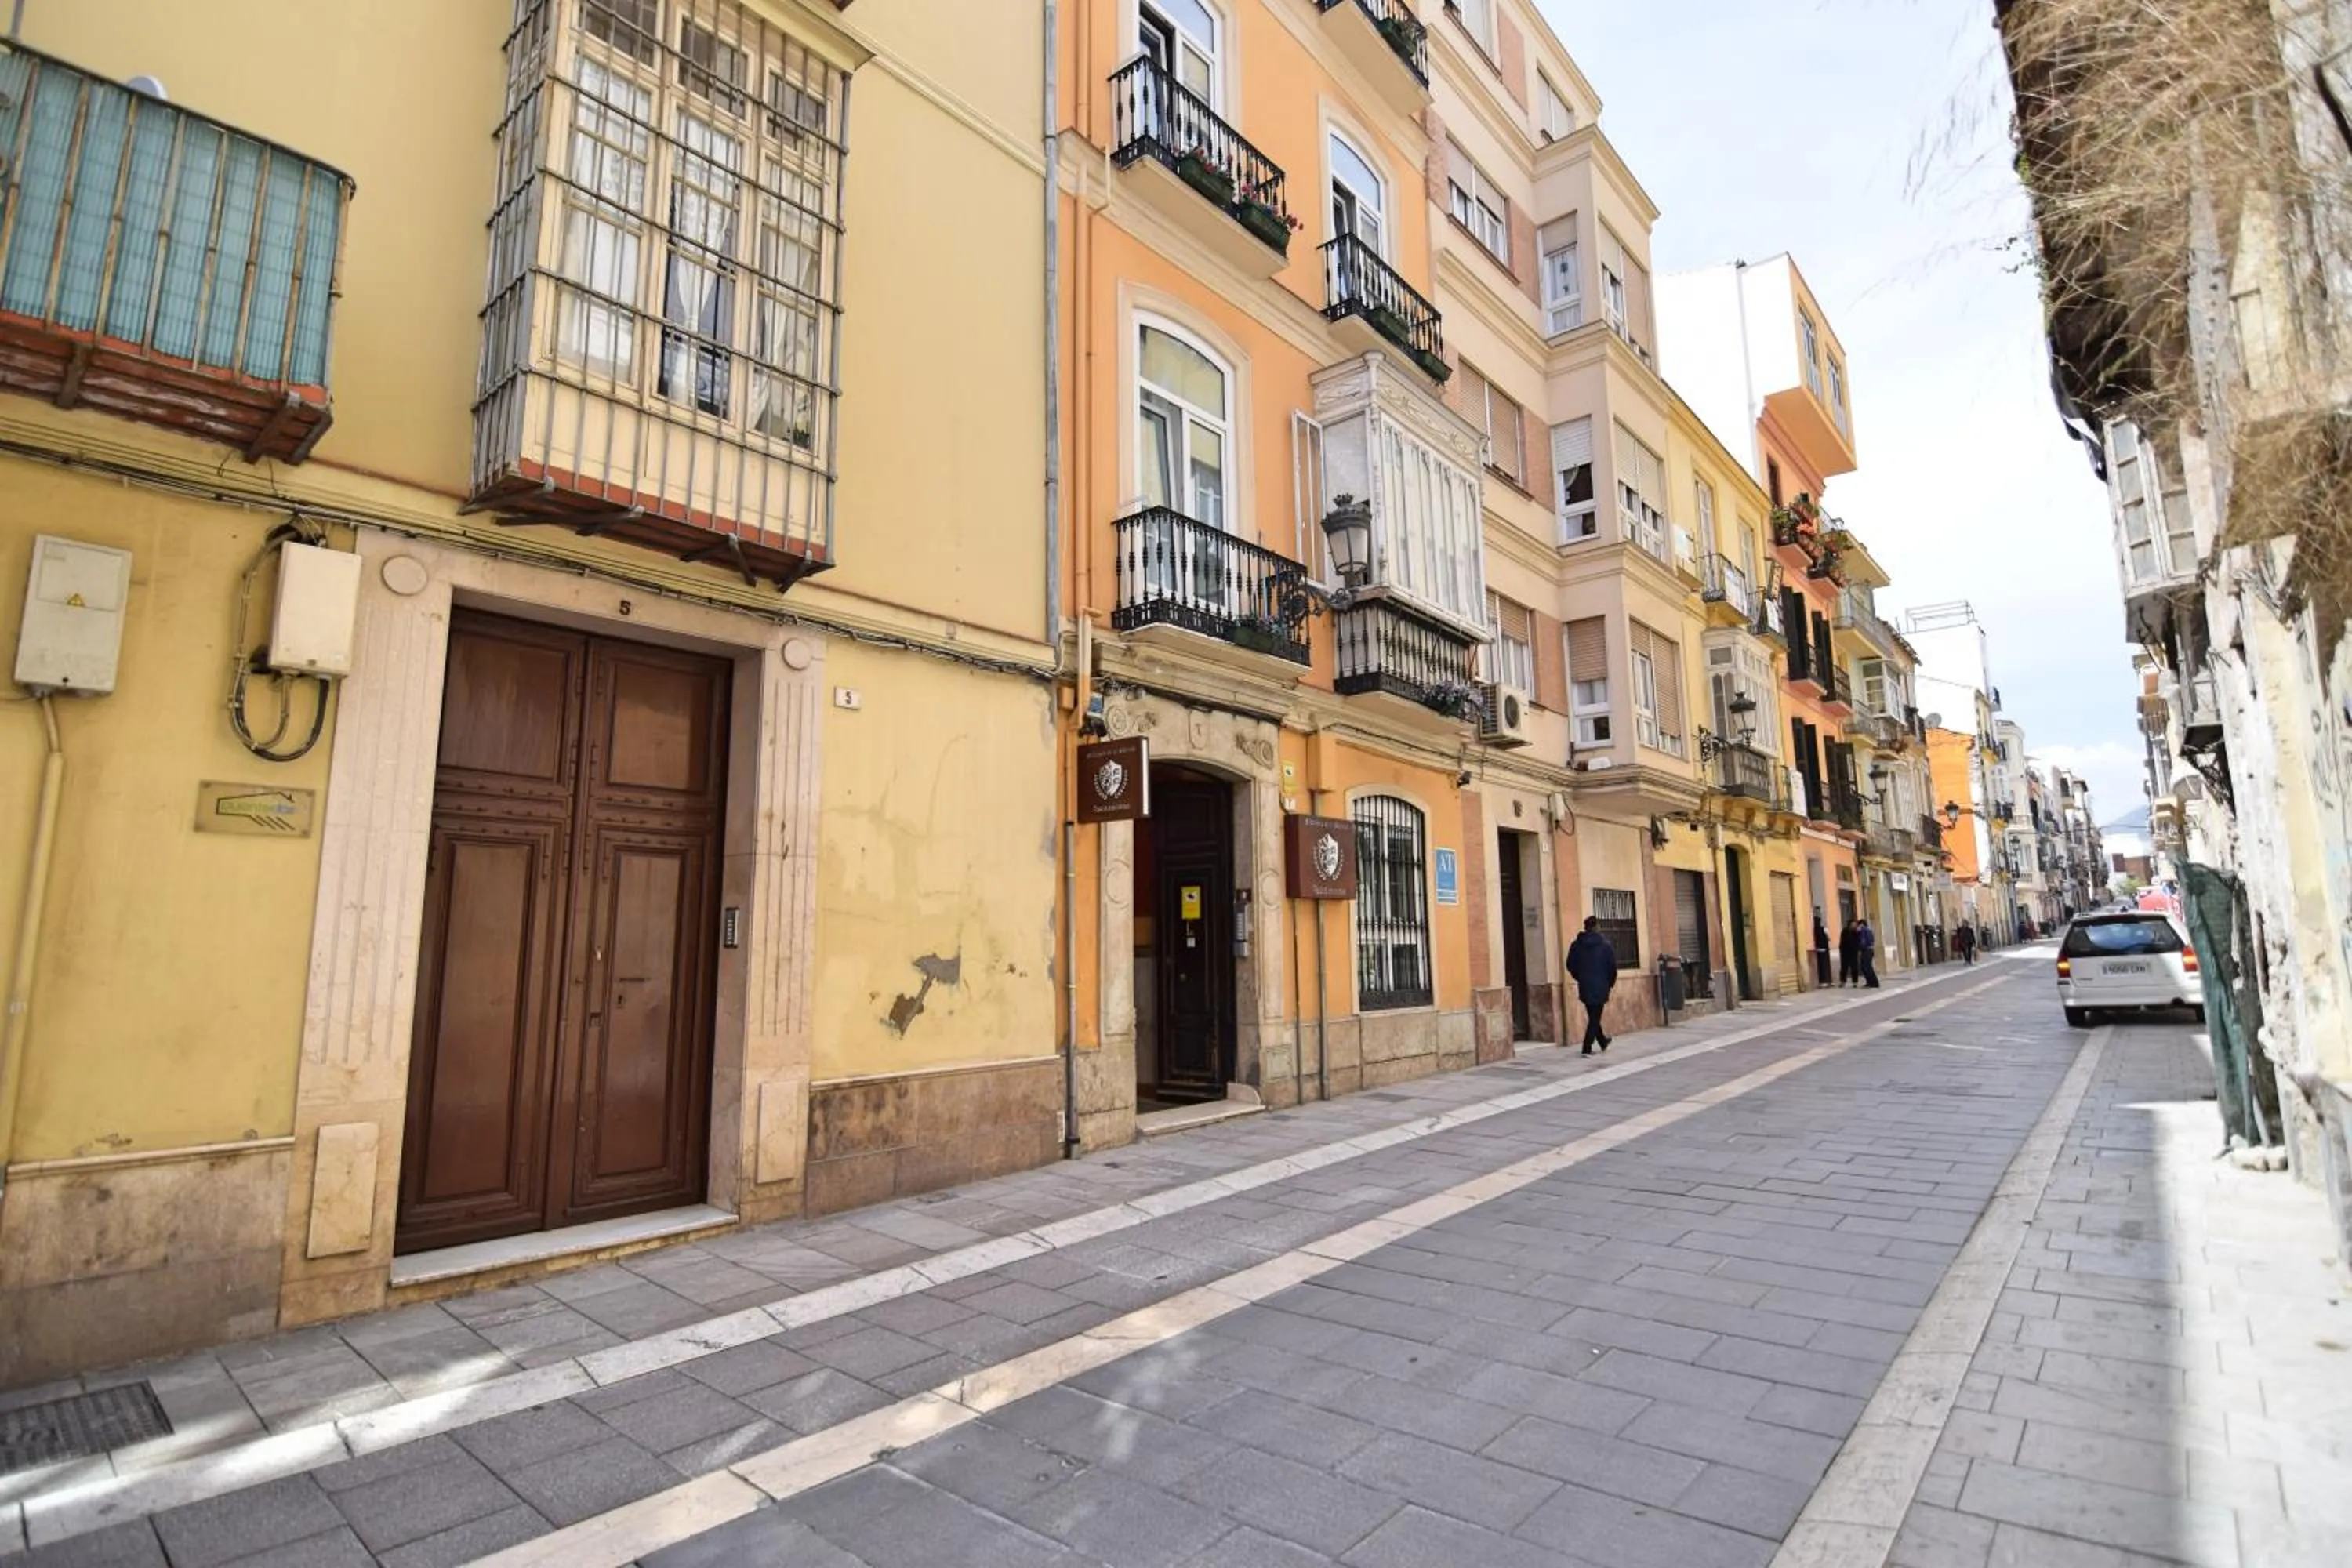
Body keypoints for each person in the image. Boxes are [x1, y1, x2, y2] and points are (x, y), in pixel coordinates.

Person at [1565, 915, 1617, 1056]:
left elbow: (1570, 965)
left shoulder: (1576, 945)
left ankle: (1603, 1041)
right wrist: (1610, 983)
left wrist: (1579, 977)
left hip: (1585, 985)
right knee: (1595, 1017)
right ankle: (1586, 1047)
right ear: (1597, 927)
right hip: (1601, 985)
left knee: (1593, 1015)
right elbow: (1612, 967)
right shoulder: (1606, 945)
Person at [1857, 916, 1881, 989]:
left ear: (1862, 925)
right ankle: (1872, 982)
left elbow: (1863, 942)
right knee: (1867, 967)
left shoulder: (1864, 930)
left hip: (1866, 951)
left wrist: (1860, 948)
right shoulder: (1869, 930)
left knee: (1866, 967)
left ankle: (1872, 983)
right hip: (1870, 950)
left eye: (1859, 925)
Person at [1838, 918, 1861, 987]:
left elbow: (1858, 941)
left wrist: (1858, 950)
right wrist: (1841, 950)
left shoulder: (1857, 932)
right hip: (1845, 952)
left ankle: (1855, 982)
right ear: (1849, 925)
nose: (1854, 925)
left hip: (1853, 952)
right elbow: (1842, 942)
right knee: (1844, 967)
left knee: (1854, 967)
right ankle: (1843, 981)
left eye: (1855, 924)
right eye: (1853, 924)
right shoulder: (1845, 931)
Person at [1813, 910, 1833, 988]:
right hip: (1825, 949)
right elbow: (1828, 938)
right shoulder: (1824, 929)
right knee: (1825, 965)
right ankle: (1827, 981)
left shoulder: (1814, 929)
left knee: (1821, 966)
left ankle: (1822, 981)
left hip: (1818, 950)